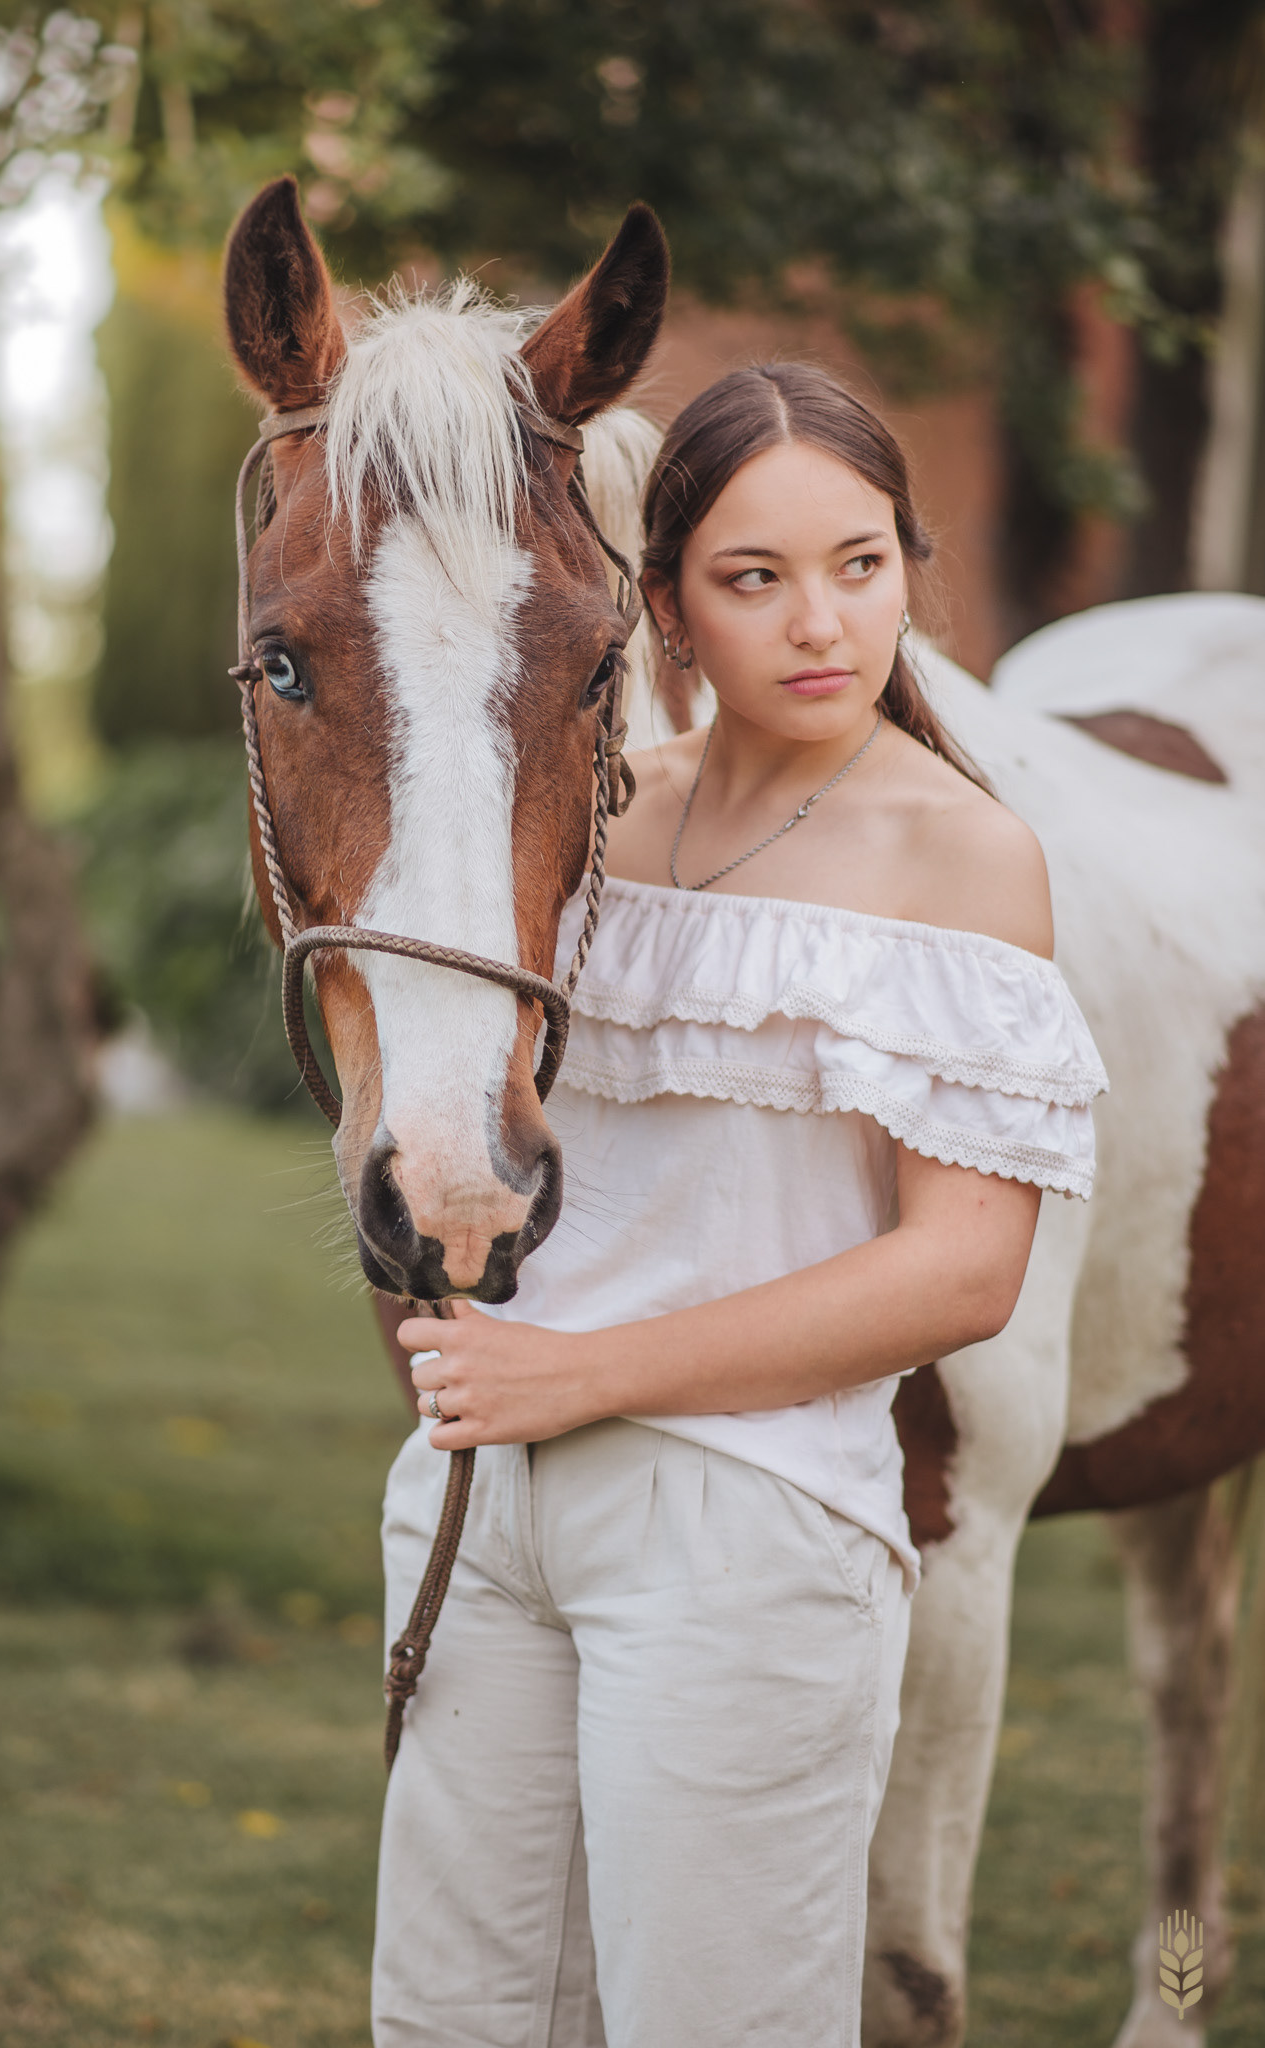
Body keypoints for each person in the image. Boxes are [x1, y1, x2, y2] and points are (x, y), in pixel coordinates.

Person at [372, 363, 1107, 2048]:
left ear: (912, 562)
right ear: (667, 607)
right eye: (753, 578)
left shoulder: (966, 856)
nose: (822, 624)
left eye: (860, 563)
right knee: (450, 2025)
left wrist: (588, 1372)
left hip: (746, 1528)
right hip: (482, 1510)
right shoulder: (593, 822)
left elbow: (961, 1275)